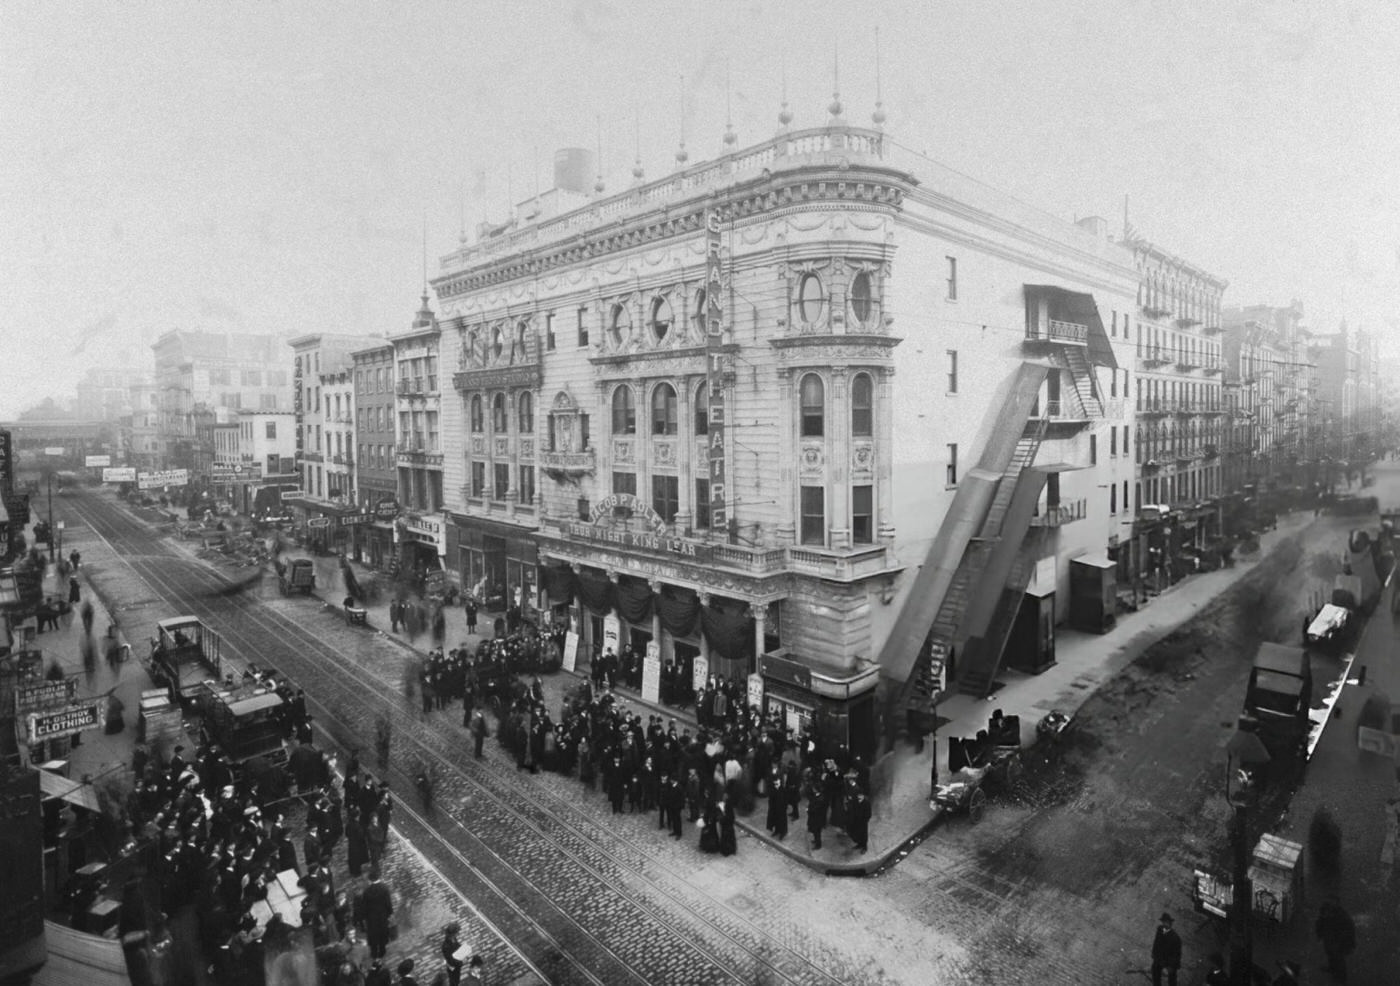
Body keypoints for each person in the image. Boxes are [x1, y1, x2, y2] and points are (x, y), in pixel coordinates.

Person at [1315, 895, 1356, 983]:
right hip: (1329, 938)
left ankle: (1341, 978)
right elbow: (1319, 922)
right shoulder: (1325, 910)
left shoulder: (1342, 915)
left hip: (1338, 940)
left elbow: (1349, 929)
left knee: (1338, 958)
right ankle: (1333, 969)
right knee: (1330, 954)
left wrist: (1348, 942)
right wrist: (1319, 934)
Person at [362, 866, 394, 960]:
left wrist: (365, 916)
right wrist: (390, 913)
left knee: (373, 933)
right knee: (383, 932)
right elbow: (388, 903)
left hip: (371, 917)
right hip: (383, 915)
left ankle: (374, 951)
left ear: (370, 879)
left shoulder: (367, 891)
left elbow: (365, 906)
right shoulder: (384, 888)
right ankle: (382, 949)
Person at [1150, 912, 1182, 986]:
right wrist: (1154, 953)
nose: (1165, 924)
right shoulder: (1160, 930)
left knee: (1172, 978)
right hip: (1160, 958)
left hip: (1169, 960)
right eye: (1164, 922)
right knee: (1155, 972)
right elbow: (1156, 942)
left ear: (1170, 924)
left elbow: (1177, 954)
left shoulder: (1175, 938)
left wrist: (1171, 965)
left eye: (1167, 922)